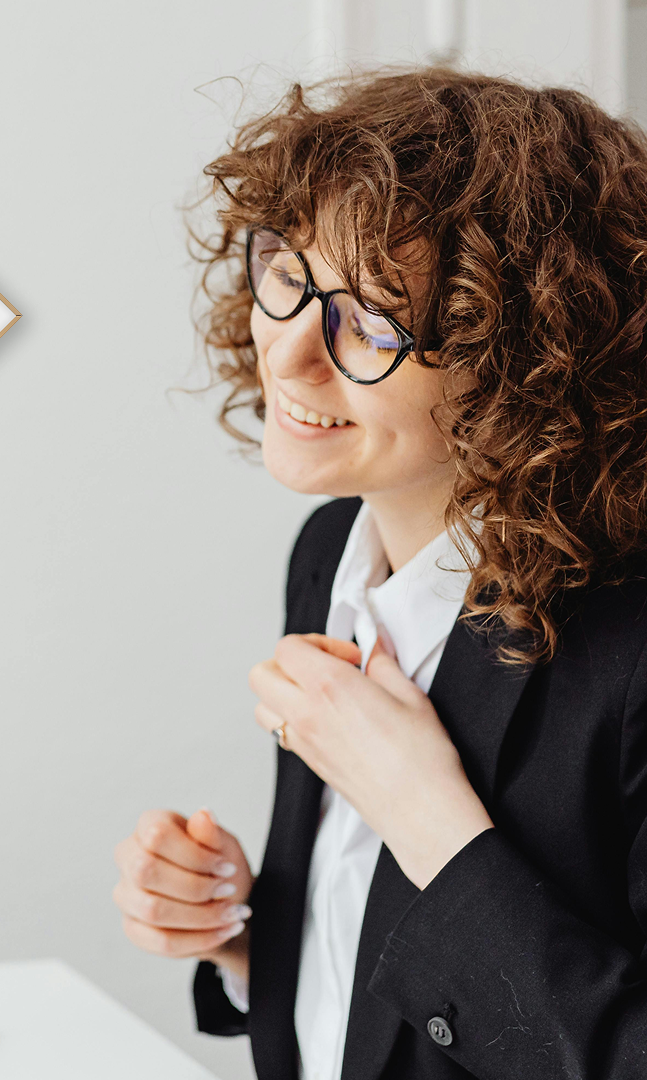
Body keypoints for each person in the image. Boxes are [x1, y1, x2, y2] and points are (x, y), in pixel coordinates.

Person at [112, 68, 647, 1079]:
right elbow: (378, 967)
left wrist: (423, 812)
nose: (289, 356)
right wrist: (241, 935)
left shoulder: (631, 657)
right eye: (288, 273)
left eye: (371, 320)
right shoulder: (329, 551)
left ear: (528, 367)